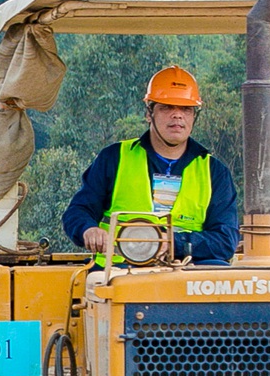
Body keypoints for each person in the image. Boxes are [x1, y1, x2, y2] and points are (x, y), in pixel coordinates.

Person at [61, 65, 241, 265]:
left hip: (187, 272)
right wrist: (88, 229)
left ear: (194, 116)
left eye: (185, 109)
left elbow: (225, 241)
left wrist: (174, 243)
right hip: (117, 271)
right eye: (166, 107)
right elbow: (78, 211)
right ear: (149, 113)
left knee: (221, 276)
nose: (177, 115)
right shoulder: (114, 158)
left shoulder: (214, 172)